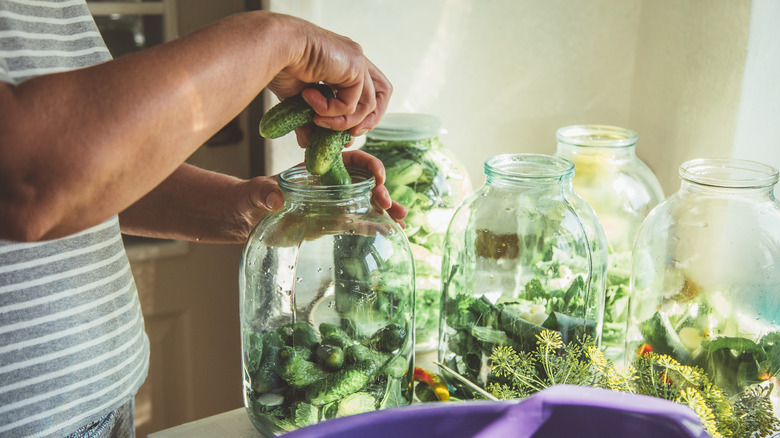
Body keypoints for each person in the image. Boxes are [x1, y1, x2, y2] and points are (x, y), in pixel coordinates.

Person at [0, 1, 404, 437]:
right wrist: (282, 40)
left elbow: (82, 177)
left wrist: (246, 208)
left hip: (104, 398)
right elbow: (25, 180)